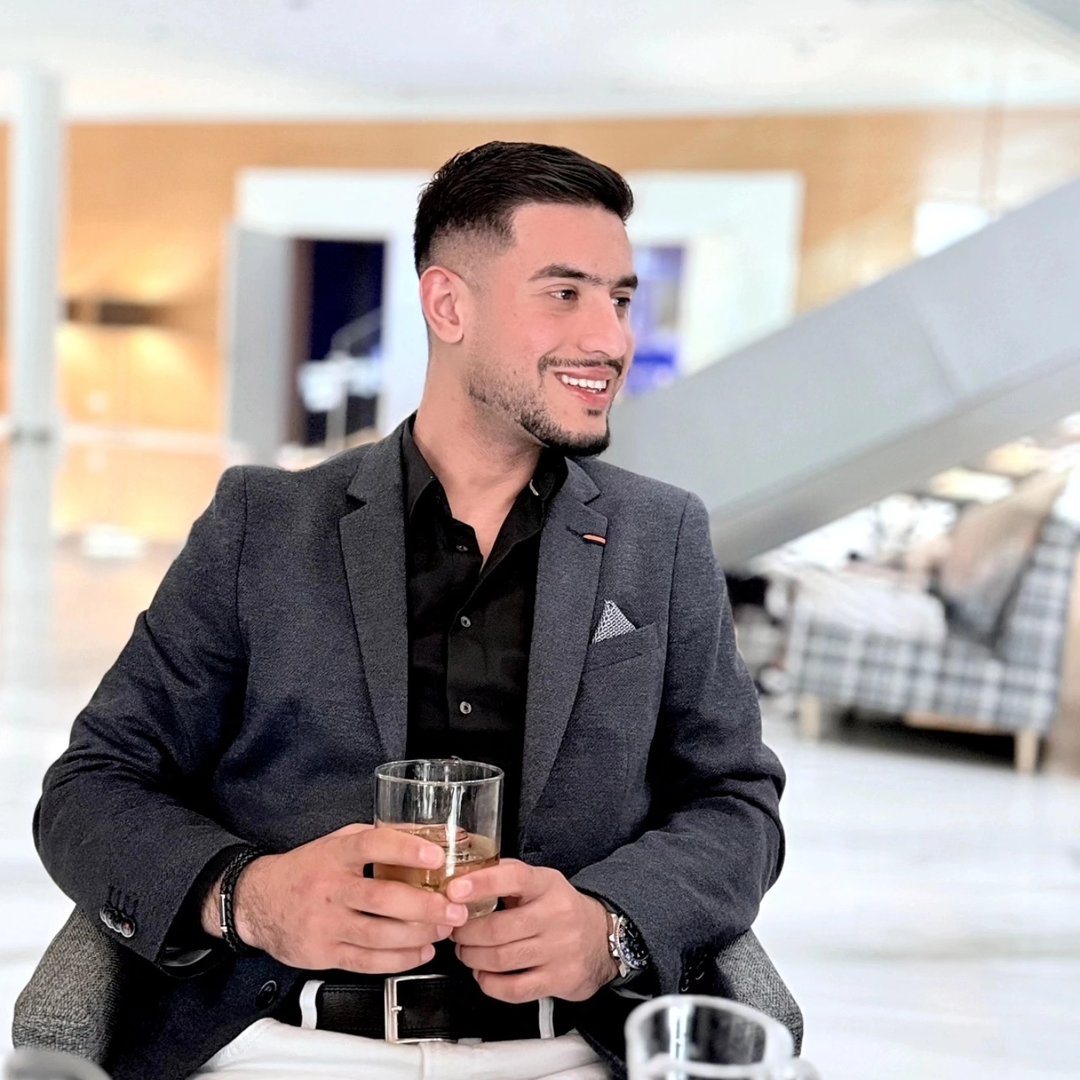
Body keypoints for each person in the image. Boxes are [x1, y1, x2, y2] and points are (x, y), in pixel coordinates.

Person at [34, 141, 786, 1080]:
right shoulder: (261, 524)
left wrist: (614, 926)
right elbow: (92, 785)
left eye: (622, 299)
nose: (612, 339)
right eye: (565, 293)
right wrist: (247, 897)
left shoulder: (662, 535)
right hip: (285, 1044)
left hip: (563, 1050)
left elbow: (737, 801)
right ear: (447, 305)